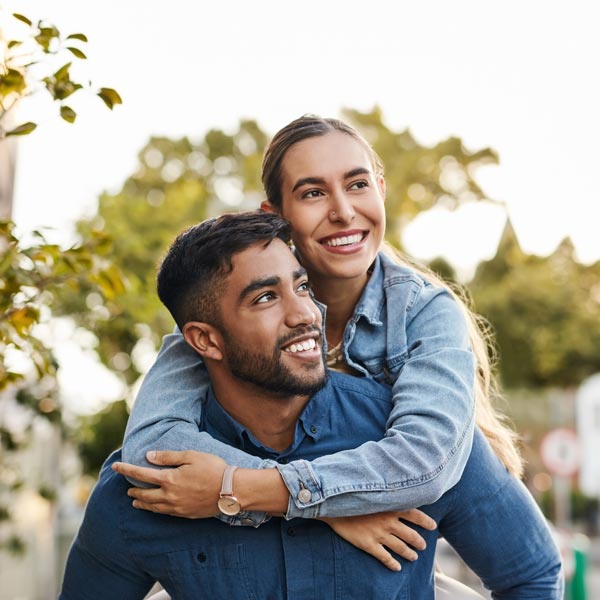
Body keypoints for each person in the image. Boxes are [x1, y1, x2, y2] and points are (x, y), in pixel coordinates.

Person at [61, 212, 562, 599]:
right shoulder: (148, 489)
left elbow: (533, 576)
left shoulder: (414, 437)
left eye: (302, 285)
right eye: (264, 298)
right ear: (204, 341)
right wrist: (326, 510)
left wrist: (244, 490)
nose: (304, 313)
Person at [122, 116, 522, 540]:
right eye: (313, 193)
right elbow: (151, 449)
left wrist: (240, 488)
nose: (344, 211)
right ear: (275, 215)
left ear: (381, 191)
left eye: (358, 185)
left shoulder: (424, 313)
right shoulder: (229, 314)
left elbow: (424, 463)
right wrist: (326, 510)